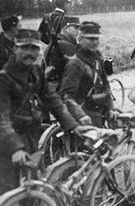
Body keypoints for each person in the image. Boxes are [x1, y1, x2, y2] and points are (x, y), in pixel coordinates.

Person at [0, 29, 90, 194]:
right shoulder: (4, 78)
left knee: (33, 188)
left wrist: (73, 125)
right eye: (24, 47)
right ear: (14, 49)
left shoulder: (35, 72)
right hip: (7, 144)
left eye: (34, 48)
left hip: (31, 139)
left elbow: (53, 100)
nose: (30, 53)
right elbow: (1, 119)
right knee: (9, 192)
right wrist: (15, 148)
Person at [60, 22, 115, 128]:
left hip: (99, 113)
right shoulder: (75, 63)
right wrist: (80, 115)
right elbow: (67, 97)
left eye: (96, 39)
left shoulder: (97, 59)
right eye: (90, 39)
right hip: (84, 117)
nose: (94, 42)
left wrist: (111, 108)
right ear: (80, 39)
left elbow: (105, 85)